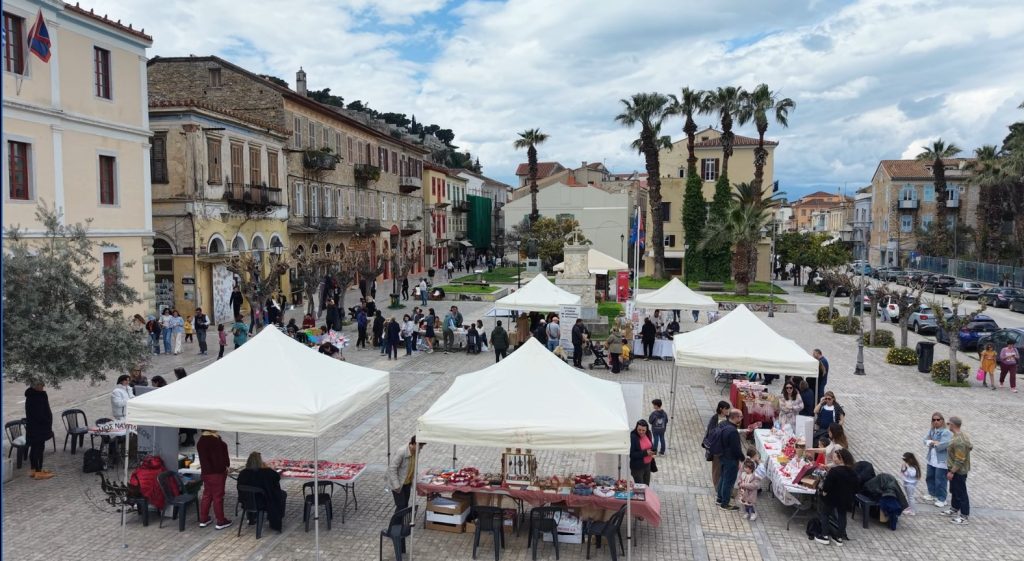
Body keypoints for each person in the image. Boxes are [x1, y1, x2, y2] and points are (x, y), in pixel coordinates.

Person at [813, 449, 859, 546]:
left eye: (835, 457)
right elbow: (856, 485)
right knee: (842, 516)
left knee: (825, 514)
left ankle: (824, 535)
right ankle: (839, 538)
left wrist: (824, 492)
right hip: (845, 498)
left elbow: (827, 485)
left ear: (841, 458)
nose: (833, 459)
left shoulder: (835, 471)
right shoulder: (852, 472)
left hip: (832, 497)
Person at [237, 452, 287, 531]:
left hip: (247, 501)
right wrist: (266, 467)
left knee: (253, 494)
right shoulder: (265, 472)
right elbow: (277, 477)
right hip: (263, 502)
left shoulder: (243, 473)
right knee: (282, 494)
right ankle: (278, 517)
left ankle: (251, 518)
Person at [197, 430, 232, 530]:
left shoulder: (201, 441)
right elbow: (218, 459)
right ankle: (220, 521)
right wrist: (225, 468)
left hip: (206, 473)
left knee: (207, 495)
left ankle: (203, 519)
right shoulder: (214, 441)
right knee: (218, 497)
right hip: (216, 473)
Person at [943, 416, 972, 525]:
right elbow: (970, 446)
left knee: (961, 492)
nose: (947, 425)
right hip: (955, 469)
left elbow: (960, 459)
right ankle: (954, 508)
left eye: (948, 423)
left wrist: (952, 472)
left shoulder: (959, 440)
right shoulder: (960, 436)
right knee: (954, 490)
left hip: (958, 471)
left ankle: (964, 516)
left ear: (953, 425)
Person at [24, 382, 55, 480]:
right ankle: (38, 471)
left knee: (34, 448)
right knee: (39, 449)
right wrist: (47, 421)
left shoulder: (31, 396)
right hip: (39, 428)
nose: (43, 386)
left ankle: (34, 470)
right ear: (35, 386)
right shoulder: (36, 397)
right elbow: (40, 414)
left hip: (34, 428)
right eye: (41, 385)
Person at [923, 411, 953, 508]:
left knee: (940, 480)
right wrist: (933, 442)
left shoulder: (946, 432)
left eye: (938, 420)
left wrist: (933, 443)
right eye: (933, 420)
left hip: (941, 461)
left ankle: (942, 498)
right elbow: (925, 440)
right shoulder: (932, 430)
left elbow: (943, 445)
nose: (936, 422)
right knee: (930, 477)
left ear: (942, 421)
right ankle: (932, 494)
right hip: (932, 459)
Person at [717, 409, 744, 510]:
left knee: (723, 478)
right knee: (729, 481)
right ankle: (725, 503)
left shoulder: (725, 425)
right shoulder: (733, 431)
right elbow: (736, 448)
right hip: (731, 459)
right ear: (735, 417)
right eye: (740, 417)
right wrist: (742, 458)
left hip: (723, 456)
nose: (741, 418)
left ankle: (719, 498)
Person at [388, 436, 424, 512]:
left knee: (405, 504)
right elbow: (392, 468)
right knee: (401, 506)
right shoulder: (401, 452)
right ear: (414, 444)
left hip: (407, 483)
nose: (421, 449)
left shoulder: (415, 452)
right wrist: (396, 485)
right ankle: (396, 523)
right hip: (398, 483)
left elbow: (413, 467)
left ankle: (401, 522)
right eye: (420, 447)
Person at [706, 401, 731, 487]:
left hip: (727, 448)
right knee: (716, 469)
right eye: (726, 409)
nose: (728, 410)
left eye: (728, 408)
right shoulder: (714, 418)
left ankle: (724, 485)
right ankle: (717, 486)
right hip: (717, 448)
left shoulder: (728, 418)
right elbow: (711, 433)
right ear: (721, 409)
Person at [628, 420, 657, 485]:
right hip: (638, 468)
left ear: (646, 429)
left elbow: (650, 445)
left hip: (648, 465)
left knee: (646, 486)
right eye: (639, 430)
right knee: (640, 489)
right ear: (636, 428)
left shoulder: (648, 433)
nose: (641, 432)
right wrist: (646, 453)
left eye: (643, 430)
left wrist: (654, 451)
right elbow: (632, 454)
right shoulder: (633, 437)